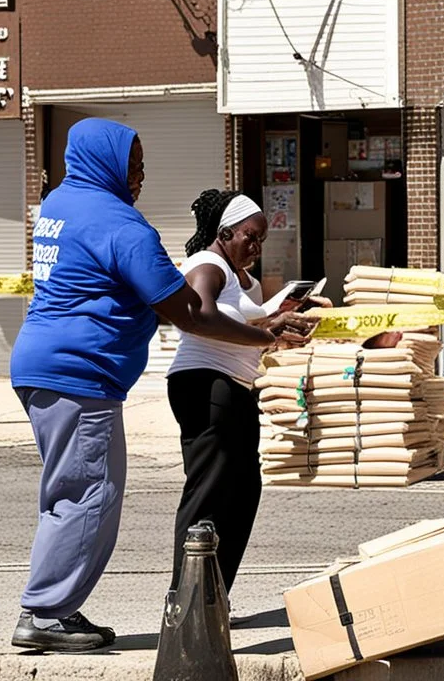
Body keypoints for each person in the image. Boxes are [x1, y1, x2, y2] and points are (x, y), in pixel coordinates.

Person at [8, 120, 290, 653]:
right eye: (133, 165)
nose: (140, 176)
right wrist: (264, 332)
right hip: (80, 373)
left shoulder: (61, 203)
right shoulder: (120, 224)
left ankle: (49, 608)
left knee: (66, 493)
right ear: (107, 163)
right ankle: (46, 612)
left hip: (43, 365)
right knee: (90, 494)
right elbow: (189, 312)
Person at [164, 189, 323, 610]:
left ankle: (211, 599)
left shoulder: (239, 280)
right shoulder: (208, 264)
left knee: (241, 495)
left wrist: (279, 325)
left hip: (234, 387)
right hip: (205, 384)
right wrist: (267, 333)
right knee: (209, 494)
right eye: (249, 237)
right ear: (224, 232)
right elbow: (199, 314)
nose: (255, 247)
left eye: (261, 241)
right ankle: (186, 603)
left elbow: (245, 330)